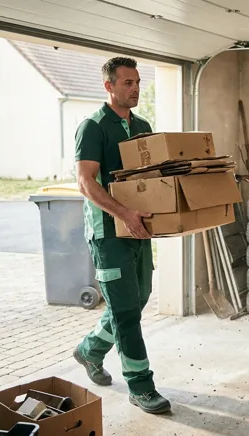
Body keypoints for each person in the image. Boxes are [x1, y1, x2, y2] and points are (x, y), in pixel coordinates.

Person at [71, 57, 170, 414]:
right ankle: (140, 386)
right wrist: (124, 214)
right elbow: (86, 183)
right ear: (109, 86)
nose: (135, 89)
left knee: (138, 298)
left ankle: (90, 350)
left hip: (137, 228)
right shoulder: (93, 126)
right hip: (108, 232)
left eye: (138, 82)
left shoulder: (142, 125)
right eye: (127, 83)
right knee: (126, 311)